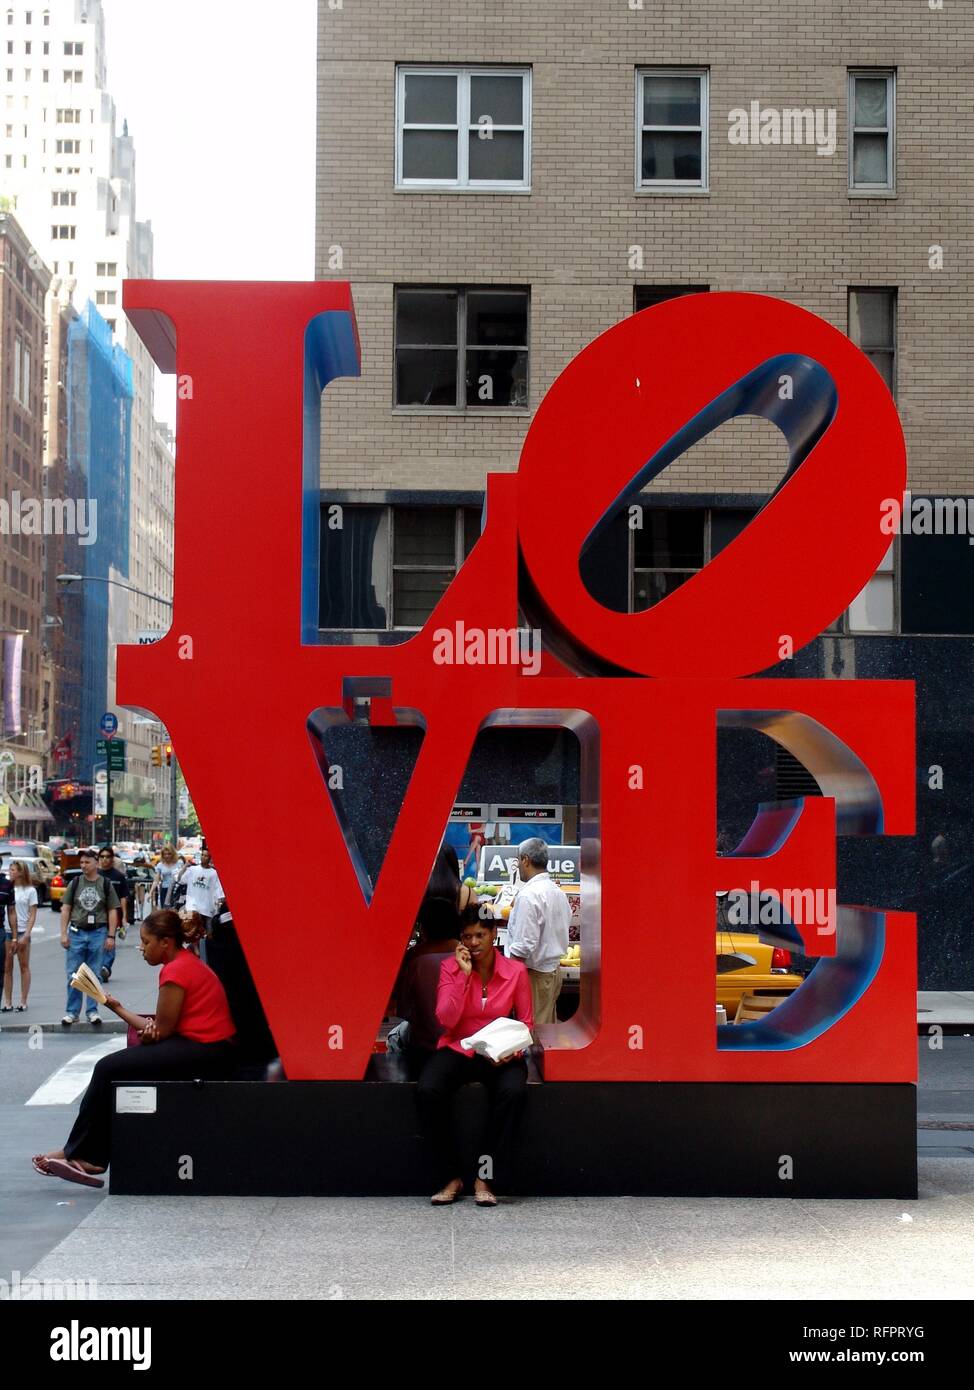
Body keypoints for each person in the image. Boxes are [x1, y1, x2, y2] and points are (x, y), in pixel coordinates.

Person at [32, 908, 238, 1187]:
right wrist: (116, 1008)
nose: (141, 948)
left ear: (165, 942)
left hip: (207, 1050)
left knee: (107, 1067)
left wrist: (150, 1034)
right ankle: (83, 1153)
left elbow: (159, 1031)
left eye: (146, 941)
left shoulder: (175, 971)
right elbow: (160, 1027)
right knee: (112, 1068)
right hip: (206, 1045)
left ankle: (84, 1155)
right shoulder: (184, 962)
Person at [416, 917, 532, 1207]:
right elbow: (446, 1018)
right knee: (428, 1088)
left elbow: (527, 1023)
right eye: (467, 937)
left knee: (513, 1092)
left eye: (480, 935)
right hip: (459, 1048)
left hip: (501, 1053)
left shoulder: (515, 971)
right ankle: (451, 1176)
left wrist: (511, 1051)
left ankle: (485, 1176)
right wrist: (463, 976)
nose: (474, 943)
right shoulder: (450, 969)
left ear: (493, 934)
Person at [393, 845, 473, 1074]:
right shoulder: (466, 958)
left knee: (394, 1036)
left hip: (424, 1046)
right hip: (462, 1042)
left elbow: (405, 1009)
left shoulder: (415, 959)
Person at [506, 836, 570, 1028]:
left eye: (518, 860)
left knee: (531, 1033)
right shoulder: (558, 892)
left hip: (534, 976)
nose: (518, 865)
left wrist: (508, 978)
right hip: (552, 972)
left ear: (525, 859)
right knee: (546, 1029)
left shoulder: (529, 895)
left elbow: (524, 945)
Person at [59, 849, 120, 1027]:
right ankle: (72, 1012)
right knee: (74, 974)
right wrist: (63, 933)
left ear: (96, 863)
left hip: (98, 932)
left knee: (94, 974)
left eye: (87, 862)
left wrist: (111, 935)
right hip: (77, 932)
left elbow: (112, 910)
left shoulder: (105, 884)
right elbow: (66, 909)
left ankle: (92, 1011)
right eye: (82, 863)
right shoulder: (75, 882)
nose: (83, 866)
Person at [2, 860, 36, 1012]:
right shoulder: (8, 888)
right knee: (7, 968)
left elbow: (32, 914)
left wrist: (26, 934)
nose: (11, 872)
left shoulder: (30, 891)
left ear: (22, 872)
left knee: (24, 966)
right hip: (7, 931)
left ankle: (23, 1001)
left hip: (22, 931)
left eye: (14, 870)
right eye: (10, 869)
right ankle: (7, 1002)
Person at [96, 845, 131, 984]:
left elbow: (123, 898)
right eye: (102, 857)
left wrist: (124, 917)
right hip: (97, 914)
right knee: (98, 942)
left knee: (110, 940)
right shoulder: (95, 875)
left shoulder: (119, 876)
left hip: (113, 914)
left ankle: (105, 967)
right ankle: (98, 967)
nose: (105, 860)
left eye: (108, 857)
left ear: (112, 859)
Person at [178, 848, 224, 953]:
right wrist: (185, 867)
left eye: (206, 856)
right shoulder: (193, 870)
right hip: (193, 905)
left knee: (209, 931)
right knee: (192, 928)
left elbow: (218, 890)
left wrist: (219, 902)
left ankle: (207, 950)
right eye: (202, 855)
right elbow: (180, 880)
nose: (203, 858)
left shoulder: (214, 873)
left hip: (207, 906)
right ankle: (195, 947)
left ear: (210, 858)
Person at [151, 844, 180, 909]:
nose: (167, 856)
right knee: (165, 911)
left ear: (172, 854)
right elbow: (156, 880)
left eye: (169, 854)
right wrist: (150, 892)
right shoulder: (160, 865)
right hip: (165, 889)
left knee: (175, 911)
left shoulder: (178, 864)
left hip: (176, 890)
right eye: (165, 854)